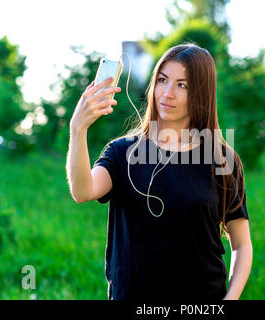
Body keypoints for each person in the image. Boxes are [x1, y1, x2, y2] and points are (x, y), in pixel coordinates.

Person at [66, 43, 252, 301]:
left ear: (202, 93)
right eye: (163, 80)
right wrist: (78, 128)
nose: (167, 93)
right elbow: (82, 191)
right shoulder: (123, 153)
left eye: (182, 85)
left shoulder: (222, 159)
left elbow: (241, 245)